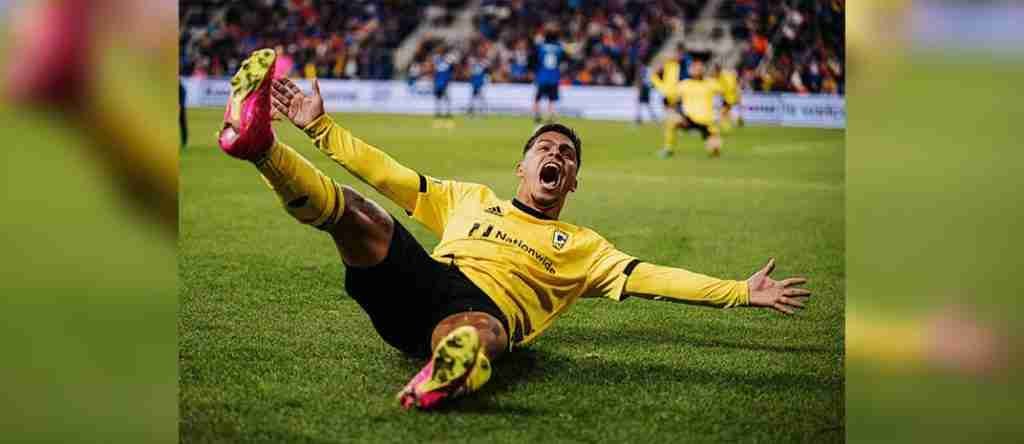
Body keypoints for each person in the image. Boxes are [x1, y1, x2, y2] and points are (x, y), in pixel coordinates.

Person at [217, 49, 811, 411]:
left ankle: (444, 374)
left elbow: (653, 277)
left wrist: (740, 291)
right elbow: (390, 175)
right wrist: (320, 129)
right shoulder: (467, 200)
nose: (556, 155)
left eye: (567, 155)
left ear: (572, 181)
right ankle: (261, 147)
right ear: (521, 168)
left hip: (483, 311)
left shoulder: (584, 248)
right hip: (426, 280)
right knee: (360, 213)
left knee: (483, 332)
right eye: (545, 148)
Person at [674, 53, 725, 157]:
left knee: (715, 150)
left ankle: (713, 148)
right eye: (695, 68)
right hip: (689, 118)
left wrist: (720, 75)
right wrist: (680, 114)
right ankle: (669, 148)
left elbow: (723, 93)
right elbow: (674, 101)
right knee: (671, 121)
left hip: (707, 120)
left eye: (700, 68)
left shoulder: (710, 83)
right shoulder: (684, 84)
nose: (697, 70)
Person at [649, 44, 689, 157]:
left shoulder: (685, 64)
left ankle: (671, 143)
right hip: (669, 96)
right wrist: (662, 87)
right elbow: (656, 74)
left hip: (682, 97)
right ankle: (669, 147)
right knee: (669, 122)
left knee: (675, 121)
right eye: (676, 53)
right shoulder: (669, 64)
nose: (676, 56)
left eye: (679, 54)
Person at [532, 30, 563, 123]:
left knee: (537, 98)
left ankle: (537, 115)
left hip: (542, 76)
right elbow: (561, 61)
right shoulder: (559, 48)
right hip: (554, 77)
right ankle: (550, 116)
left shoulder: (541, 47)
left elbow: (536, 60)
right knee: (552, 99)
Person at [430, 45, 454, 128]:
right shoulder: (442, 61)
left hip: (442, 83)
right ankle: (442, 112)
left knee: (443, 98)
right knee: (441, 98)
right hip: (440, 83)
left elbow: (435, 71)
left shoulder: (443, 60)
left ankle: (444, 112)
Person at [714, 64, 743, 131]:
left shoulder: (722, 75)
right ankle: (736, 120)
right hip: (730, 96)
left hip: (729, 96)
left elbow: (728, 85)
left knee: (723, 112)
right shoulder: (727, 75)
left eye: (715, 71)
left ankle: (734, 121)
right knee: (725, 112)